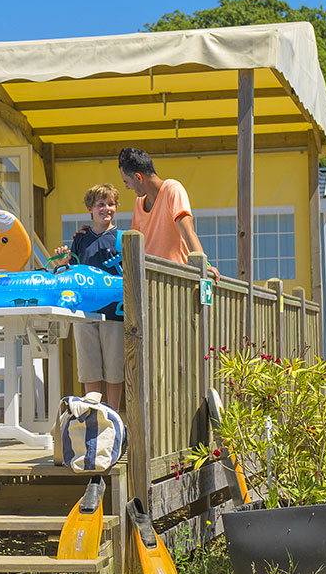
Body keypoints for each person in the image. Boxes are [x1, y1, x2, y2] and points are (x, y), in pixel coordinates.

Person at [51, 183, 125, 409]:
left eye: (111, 204)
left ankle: (112, 420)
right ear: (90, 209)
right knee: (89, 367)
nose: (107, 209)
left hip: (115, 313)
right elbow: (72, 272)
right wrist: (62, 262)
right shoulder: (80, 239)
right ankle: (93, 416)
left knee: (114, 370)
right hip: (84, 312)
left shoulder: (123, 237)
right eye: (101, 204)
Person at [117, 147, 219, 281]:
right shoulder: (139, 202)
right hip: (151, 281)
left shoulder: (172, 189)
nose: (126, 187)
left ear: (138, 177)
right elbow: (135, 243)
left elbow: (187, 230)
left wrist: (205, 265)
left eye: (126, 182)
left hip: (178, 280)